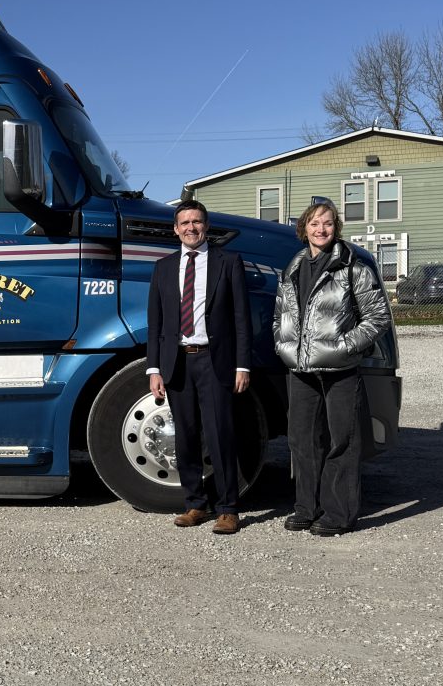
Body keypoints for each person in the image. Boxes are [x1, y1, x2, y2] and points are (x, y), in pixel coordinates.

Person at [272, 202, 393, 536]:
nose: (321, 229)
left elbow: (378, 316)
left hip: (340, 368)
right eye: (314, 223)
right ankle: (306, 509)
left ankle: (339, 513)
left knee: (343, 441)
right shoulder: (293, 267)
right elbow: (281, 313)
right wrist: (283, 345)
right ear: (304, 228)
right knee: (302, 441)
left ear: (335, 227)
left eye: (327, 223)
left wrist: (345, 346)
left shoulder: (351, 266)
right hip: (300, 369)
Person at [146, 198, 251, 535]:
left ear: (206, 226)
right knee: (185, 437)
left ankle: (228, 509)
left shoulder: (228, 262)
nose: (191, 228)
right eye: (184, 223)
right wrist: (154, 369)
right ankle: (194, 504)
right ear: (176, 229)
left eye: (197, 221)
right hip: (177, 363)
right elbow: (155, 324)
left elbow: (241, 320)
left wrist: (242, 365)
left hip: (215, 361)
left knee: (221, 435)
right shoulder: (162, 268)